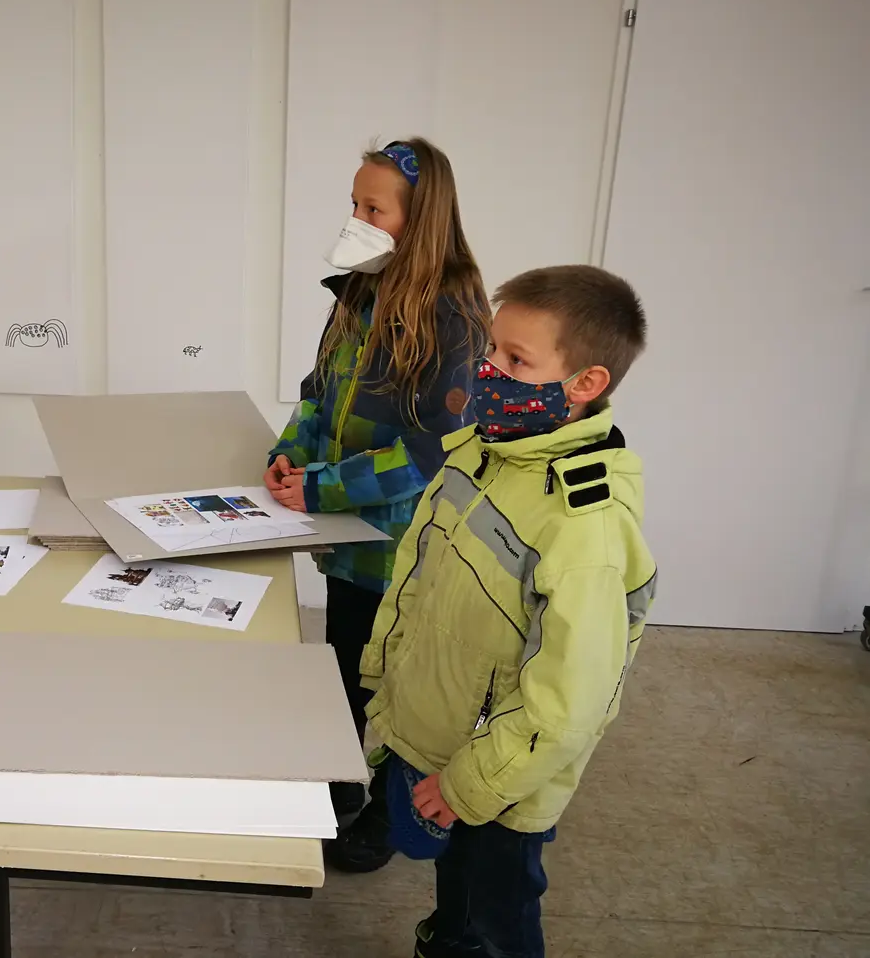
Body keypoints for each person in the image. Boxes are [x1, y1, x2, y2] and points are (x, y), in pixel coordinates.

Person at [329, 266, 656, 958]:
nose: (488, 371)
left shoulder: (585, 530)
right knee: (458, 890)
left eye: (516, 360)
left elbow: (567, 707)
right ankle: (449, 940)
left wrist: (469, 786)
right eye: (491, 350)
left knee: (498, 912)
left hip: (500, 781)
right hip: (444, 737)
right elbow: (420, 580)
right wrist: (388, 683)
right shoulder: (482, 453)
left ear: (586, 383)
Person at [265, 138, 490, 817]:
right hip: (347, 538)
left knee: (394, 691)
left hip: (402, 548)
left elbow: (432, 451)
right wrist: (289, 452)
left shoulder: (455, 319)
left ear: (420, 220)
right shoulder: (357, 291)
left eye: (374, 208)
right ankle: (339, 792)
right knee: (342, 673)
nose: (356, 220)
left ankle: (387, 816)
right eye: (354, 204)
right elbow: (318, 391)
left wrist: (322, 488)